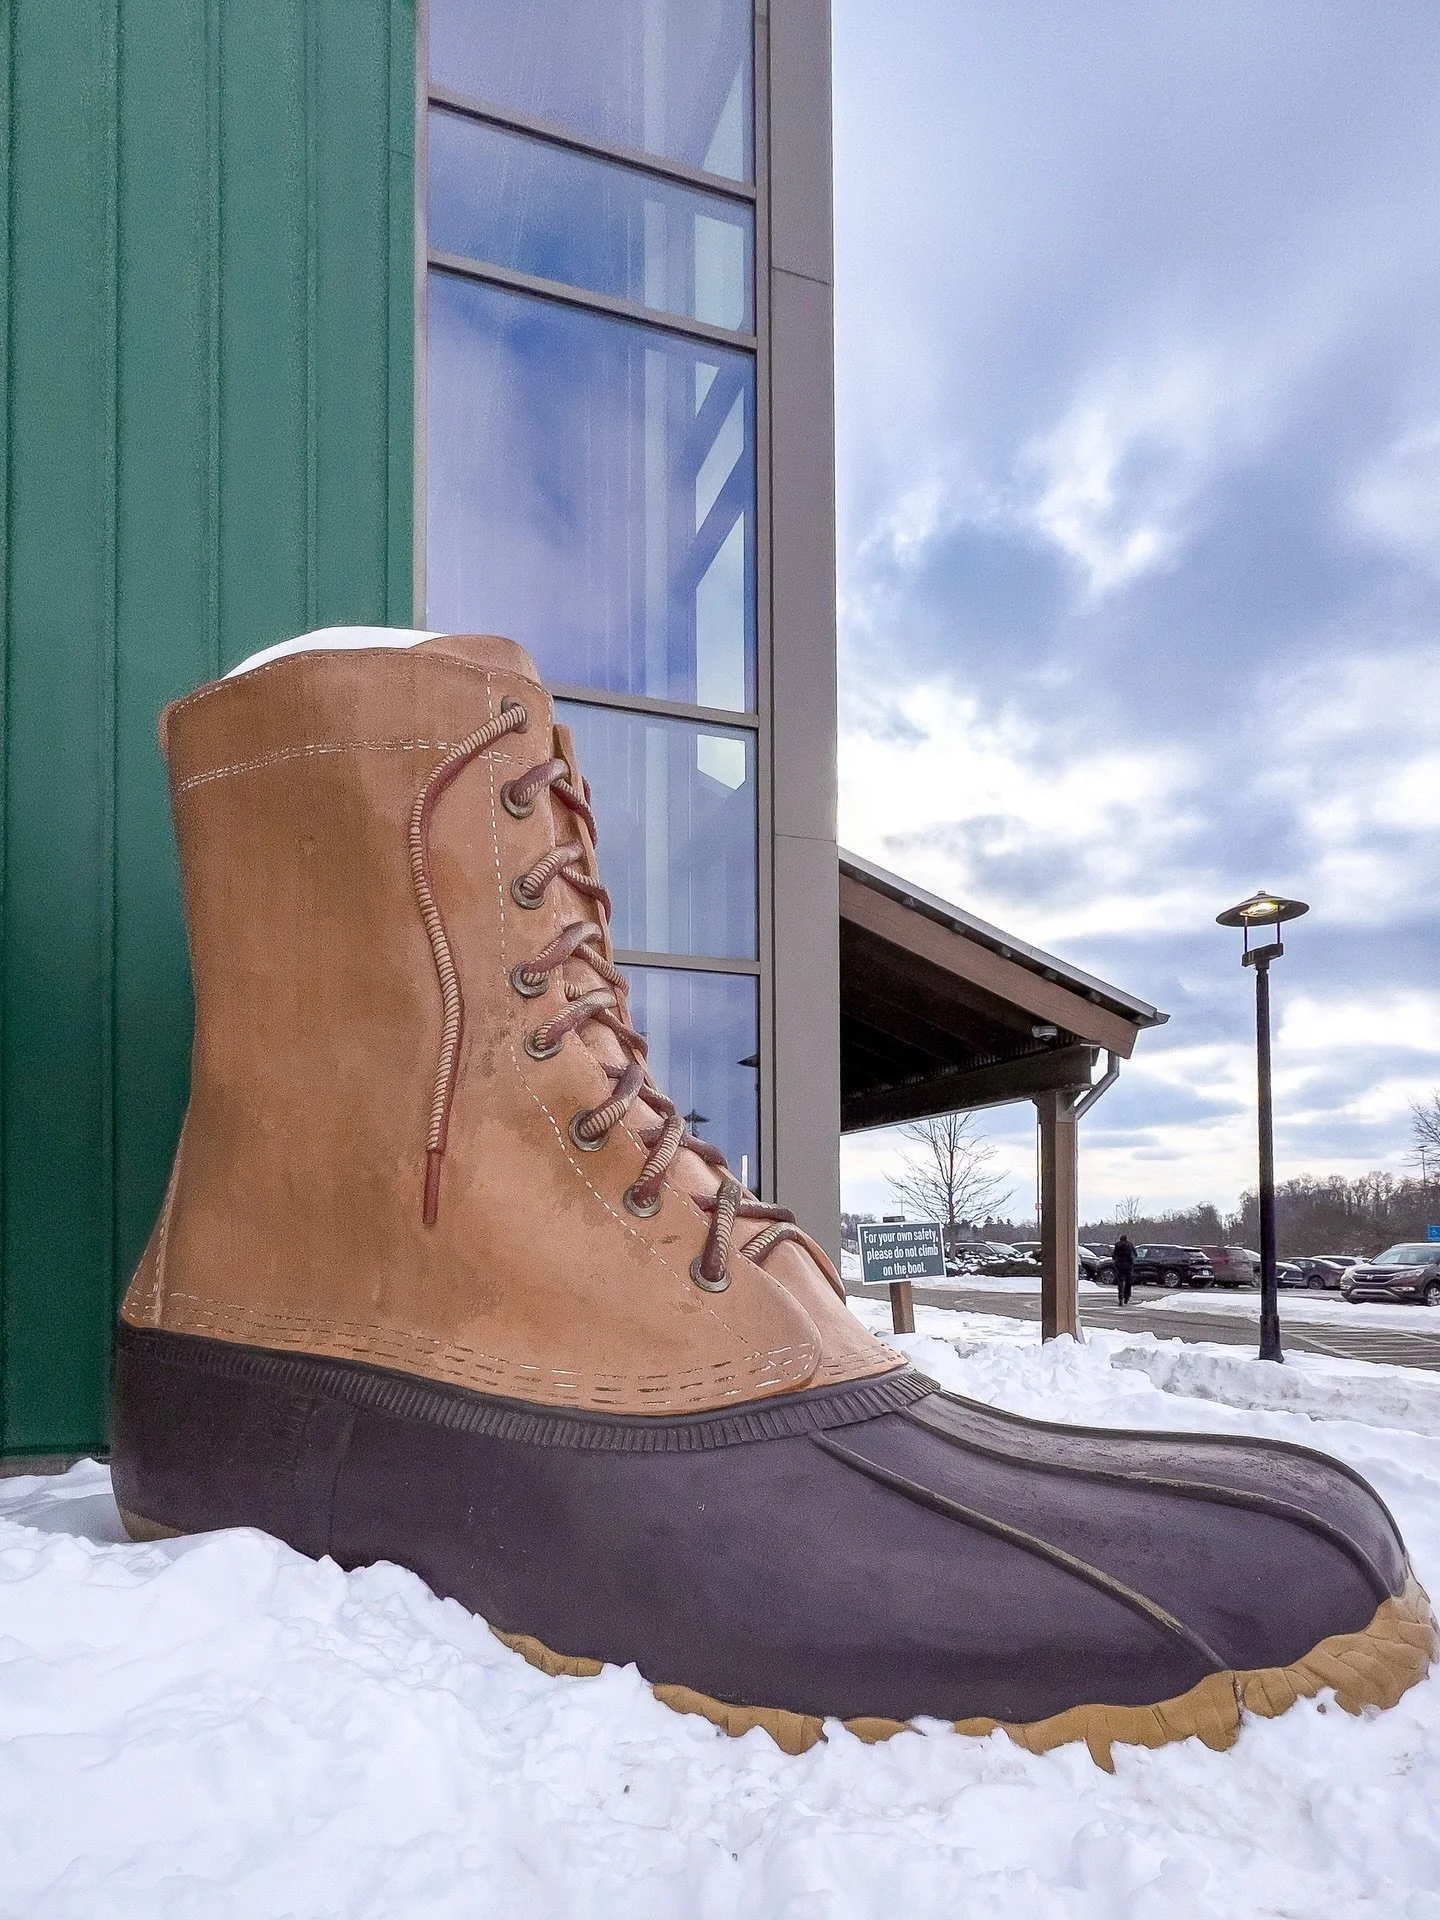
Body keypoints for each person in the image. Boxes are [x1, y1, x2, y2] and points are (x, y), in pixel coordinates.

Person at [1112, 1233, 1136, 1306]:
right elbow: (1135, 1254)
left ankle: (1120, 1298)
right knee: (1128, 1282)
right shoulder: (1130, 1245)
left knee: (1120, 1282)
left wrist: (1116, 1259)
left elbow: (1113, 1255)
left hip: (1119, 1265)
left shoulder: (1117, 1245)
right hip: (1128, 1265)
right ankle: (1127, 1296)